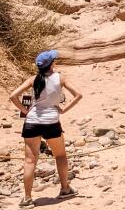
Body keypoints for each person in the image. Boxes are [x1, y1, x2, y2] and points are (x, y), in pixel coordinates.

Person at [9, 49, 82, 206]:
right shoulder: (60, 78)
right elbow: (78, 95)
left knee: (30, 160)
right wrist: (63, 110)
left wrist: (25, 111)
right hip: (51, 121)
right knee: (60, 156)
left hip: (32, 121)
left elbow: (12, 96)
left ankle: (27, 198)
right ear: (52, 64)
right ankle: (64, 189)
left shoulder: (33, 79)